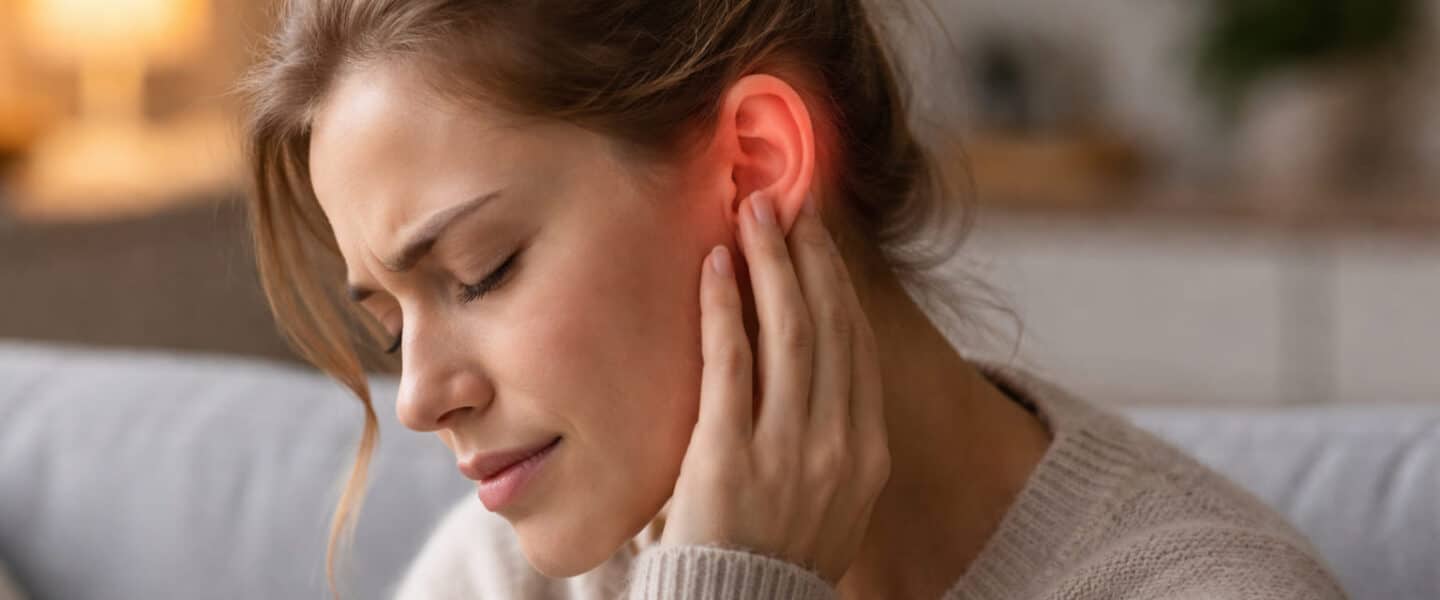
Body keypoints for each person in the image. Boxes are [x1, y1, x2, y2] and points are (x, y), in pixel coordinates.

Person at [239, 1, 1349, 598]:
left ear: (758, 165)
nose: (421, 397)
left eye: (480, 271)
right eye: (388, 320)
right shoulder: (504, 580)